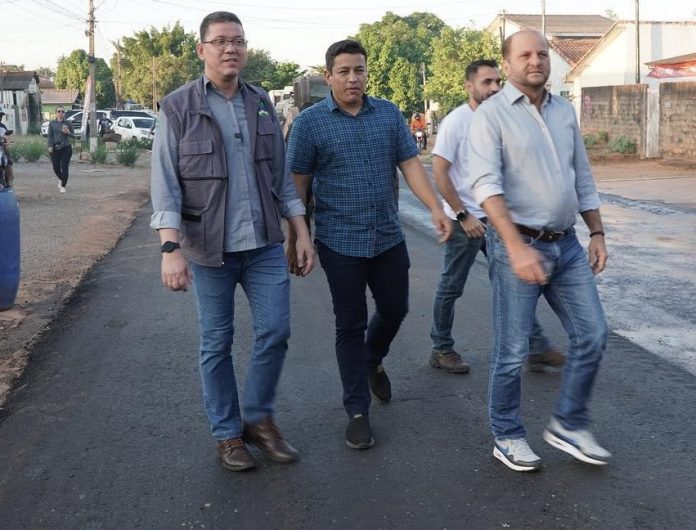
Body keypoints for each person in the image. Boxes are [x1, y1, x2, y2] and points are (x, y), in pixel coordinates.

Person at [150, 11, 315, 473]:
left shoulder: (260, 102)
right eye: (221, 41)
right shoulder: (177, 108)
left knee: (276, 331)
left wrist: (301, 233)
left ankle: (258, 418)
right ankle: (228, 434)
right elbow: (165, 185)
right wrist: (170, 249)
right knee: (216, 343)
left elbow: (281, 180)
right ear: (201, 49)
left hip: (263, 244)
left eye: (238, 41)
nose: (230, 48)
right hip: (209, 250)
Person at [286, 39, 451, 450]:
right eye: (343, 71)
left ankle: (373, 358)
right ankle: (357, 411)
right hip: (339, 240)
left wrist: (435, 207)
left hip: (387, 235)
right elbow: (297, 185)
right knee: (350, 323)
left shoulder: (388, 114)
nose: (352, 79)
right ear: (328, 77)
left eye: (359, 70)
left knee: (396, 308)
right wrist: (297, 236)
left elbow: (410, 165)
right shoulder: (310, 124)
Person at [467, 30, 611, 472]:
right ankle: (507, 435)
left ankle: (568, 423)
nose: (536, 61)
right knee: (512, 351)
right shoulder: (491, 116)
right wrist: (514, 247)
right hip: (519, 244)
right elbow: (486, 187)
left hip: (566, 244)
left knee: (593, 334)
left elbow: (580, 174)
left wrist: (597, 232)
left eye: (542, 54)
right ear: (507, 63)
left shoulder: (563, 110)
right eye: (526, 54)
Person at [429, 59, 564, 374]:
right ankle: (441, 349)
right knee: (451, 286)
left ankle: (536, 348)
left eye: (497, 81)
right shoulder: (456, 122)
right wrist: (463, 215)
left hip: (499, 219)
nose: (495, 88)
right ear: (469, 86)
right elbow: (439, 173)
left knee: (516, 284)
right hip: (466, 222)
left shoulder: (505, 119)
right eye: (487, 82)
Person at [47, 107, 74, 193]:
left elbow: (73, 135)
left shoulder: (68, 123)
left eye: (62, 111)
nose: (61, 113)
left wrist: (68, 132)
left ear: (64, 113)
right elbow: (50, 136)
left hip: (66, 147)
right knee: (56, 167)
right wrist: (50, 146)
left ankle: (63, 186)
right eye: (59, 111)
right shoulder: (52, 123)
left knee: (64, 167)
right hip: (55, 147)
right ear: (56, 113)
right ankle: (61, 178)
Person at [0, 111, 14, 187]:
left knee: (8, 161)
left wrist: (7, 141)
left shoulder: (2, 127)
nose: (0, 118)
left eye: (1, 116)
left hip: (1, 148)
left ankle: (7, 181)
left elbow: (7, 137)